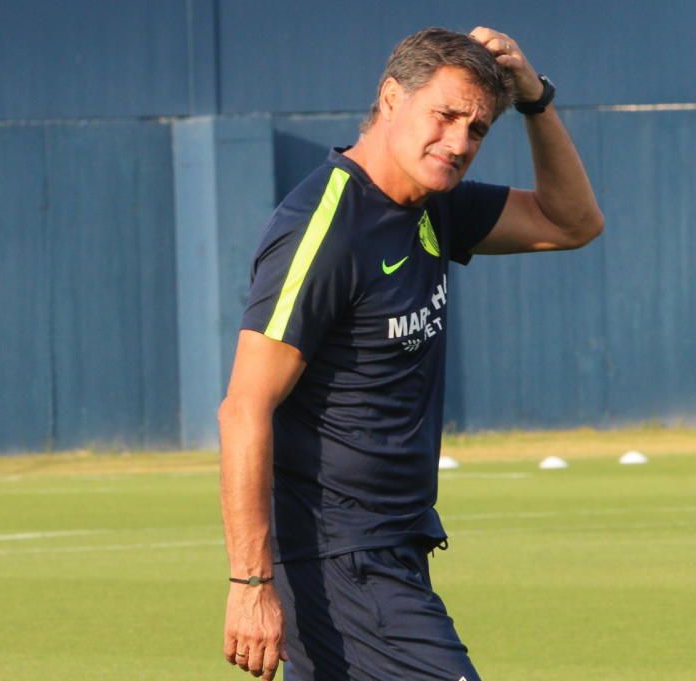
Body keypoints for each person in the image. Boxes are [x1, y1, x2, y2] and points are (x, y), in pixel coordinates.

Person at [218, 26, 603, 681]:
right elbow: (244, 407)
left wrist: (535, 100)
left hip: (390, 549)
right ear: (391, 98)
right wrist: (250, 582)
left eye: (478, 129)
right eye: (446, 115)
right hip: (343, 559)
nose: (458, 142)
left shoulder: (433, 205)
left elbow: (572, 222)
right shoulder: (326, 226)